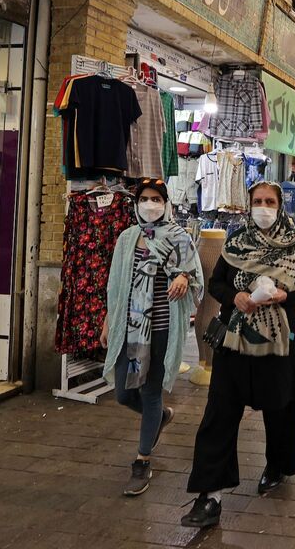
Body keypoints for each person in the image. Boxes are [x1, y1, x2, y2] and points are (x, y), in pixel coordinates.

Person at [182, 181, 295, 528]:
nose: (263, 207)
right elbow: (216, 283)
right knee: (220, 415)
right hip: (235, 341)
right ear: (249, 205)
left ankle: (277, 465)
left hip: (280, 343)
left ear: (280, 205)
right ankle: (209, 496)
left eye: (269, 201)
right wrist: (235, 297)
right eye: (257, 201)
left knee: (281, 409)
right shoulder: (236, 243)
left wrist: (285, 297)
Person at [100, 178, 203, 497]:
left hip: (162, 329)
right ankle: (159, 418)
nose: (150, 204)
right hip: (128, 328)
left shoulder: (179, 237)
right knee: (122, 392)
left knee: (150, 391)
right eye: (144, 198)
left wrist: (184, 277)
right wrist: (108, 320)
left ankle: (142, 460)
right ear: (136, 203)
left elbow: (195, 276)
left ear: (165, 202)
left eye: (156, 198)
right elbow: (115, 285)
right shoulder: (127, 238)